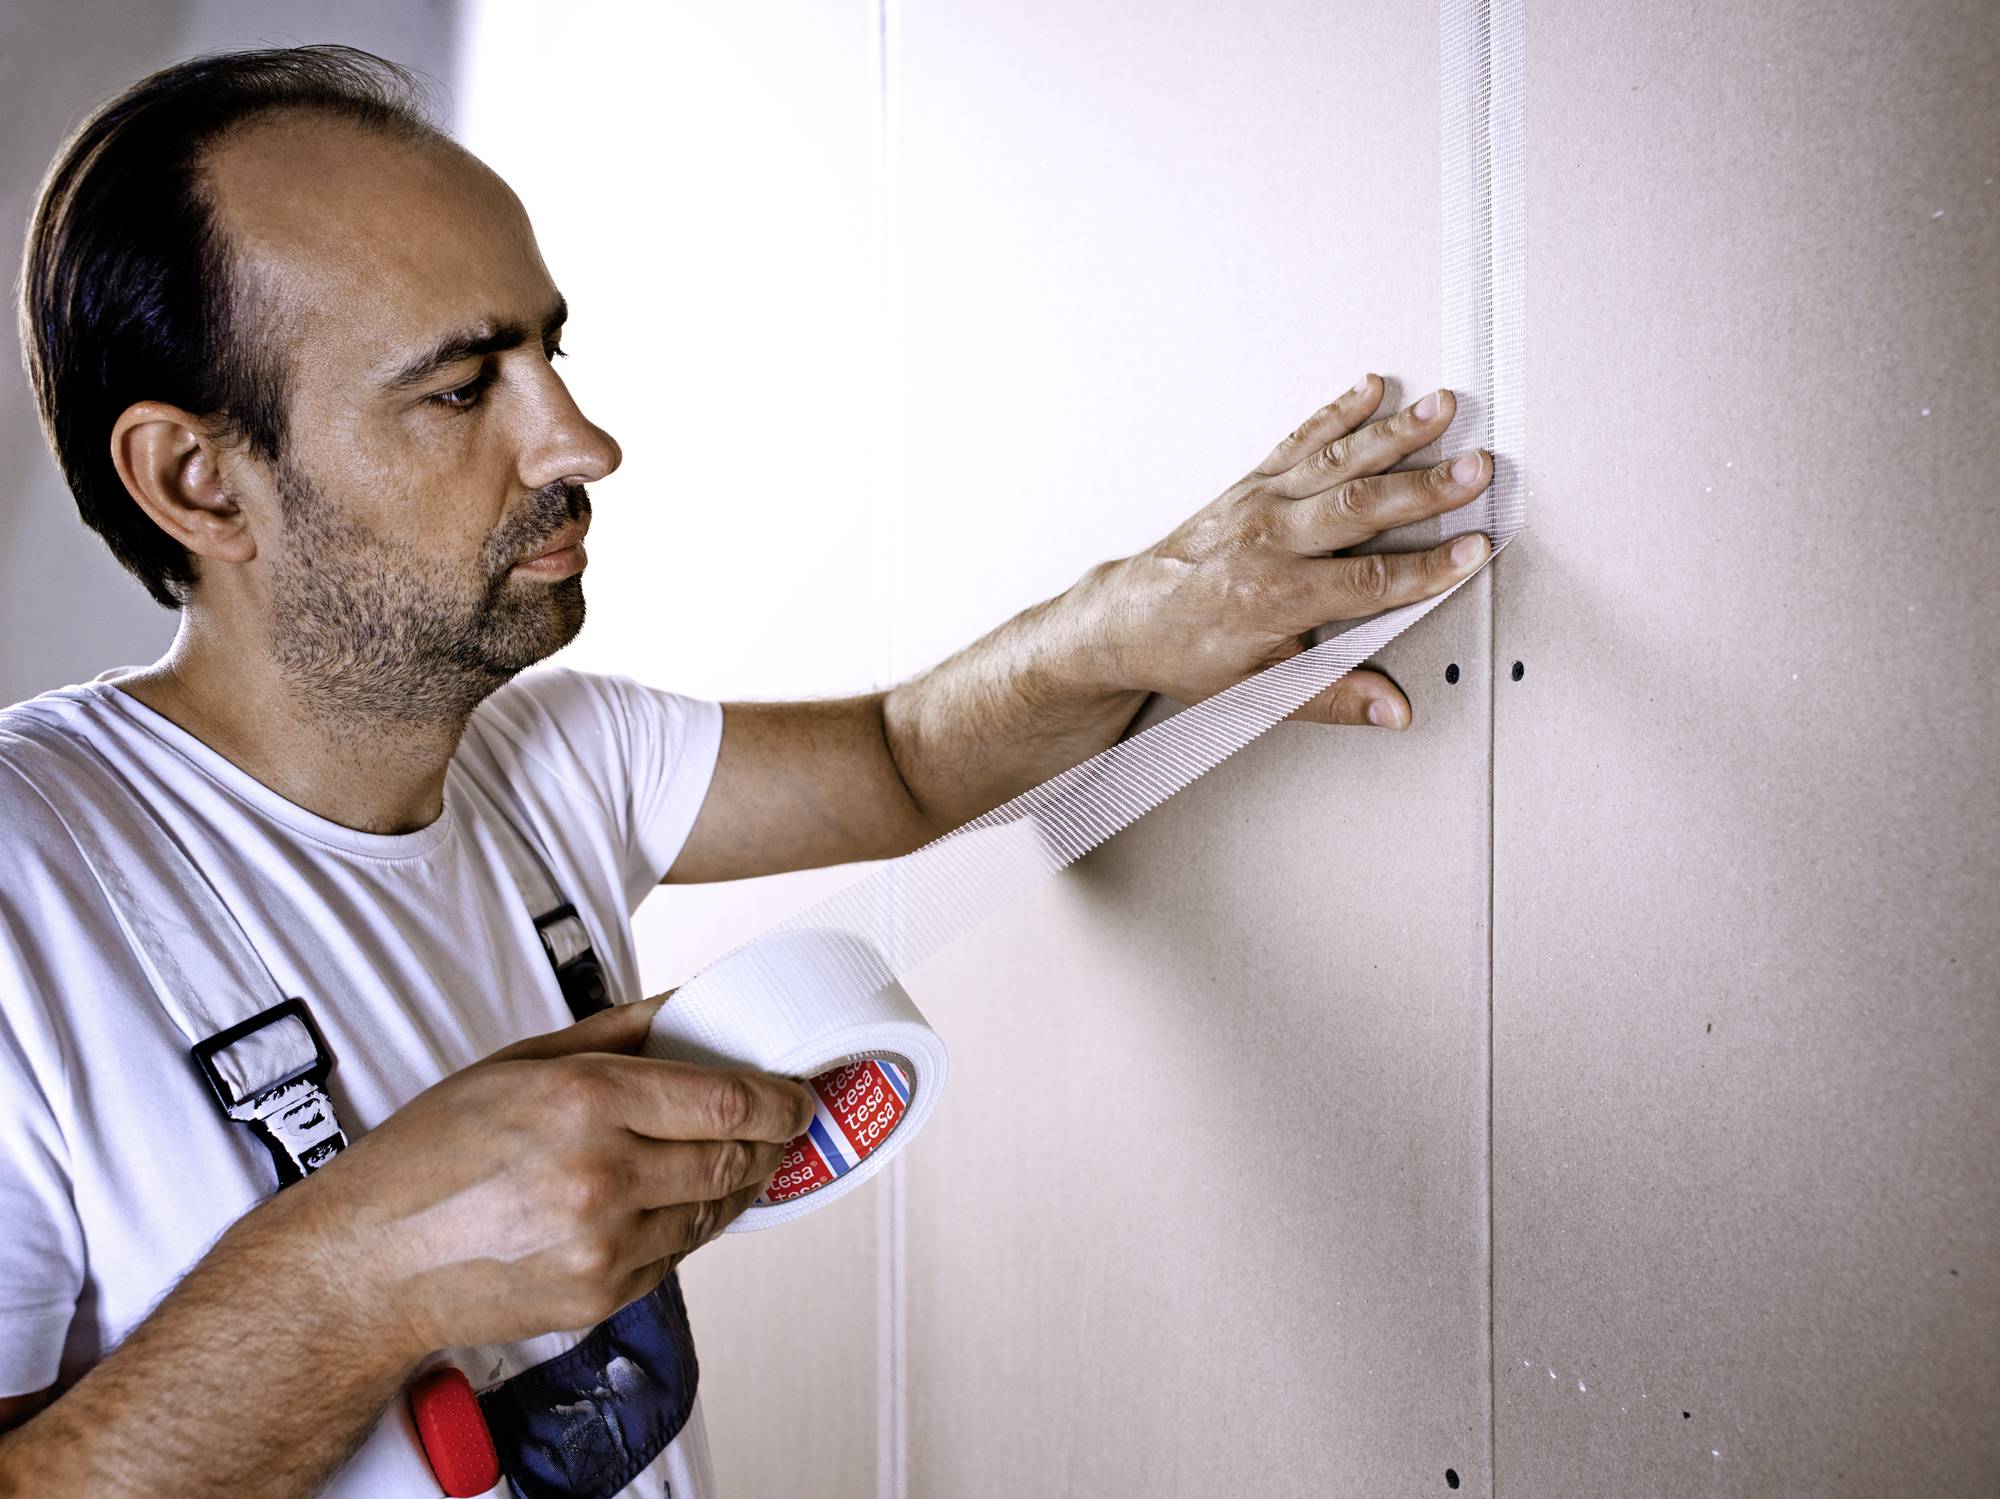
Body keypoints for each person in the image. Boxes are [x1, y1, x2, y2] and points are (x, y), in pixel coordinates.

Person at [0, 42, 1492, 1499]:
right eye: (464, 389)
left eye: (550, 351)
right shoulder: (29, 890)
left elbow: (904, 761)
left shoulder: (547, 764)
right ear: (199, 480)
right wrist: (364, 1274)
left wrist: (1162, 608)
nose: (581, 441)